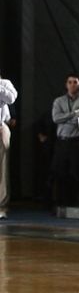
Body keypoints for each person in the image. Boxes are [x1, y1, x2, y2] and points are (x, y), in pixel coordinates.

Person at [51, 75, 79, 207]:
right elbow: (56, 118)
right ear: (66, 85)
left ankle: (75, 200)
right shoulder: (59, 101)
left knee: (75, 170)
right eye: (70, 82)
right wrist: (73, 114)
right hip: (62, 140)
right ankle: (60, 201)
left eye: (75, 82)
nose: (72, 85)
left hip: (76, 141)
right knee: (60, 171)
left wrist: (67, 118)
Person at [0, 72, 15, 219]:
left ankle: (1, 205)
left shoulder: (5, 83)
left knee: (2, 168)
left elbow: (11, 98)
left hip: (0, 126)